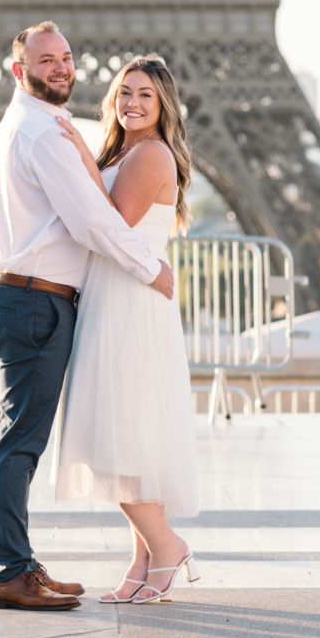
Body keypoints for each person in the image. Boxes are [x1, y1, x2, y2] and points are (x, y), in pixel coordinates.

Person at [0, 22, 175, 612]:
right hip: (34, 299)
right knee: (21, 445)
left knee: (19, 440)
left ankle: (19, 564)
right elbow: (92, 219)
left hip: (13, 294)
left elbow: (92, 208)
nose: (60, 68)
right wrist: (150, 267)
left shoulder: (31, 125)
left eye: (66, 58)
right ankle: (12, 570)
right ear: (20, 69)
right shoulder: (46, 134)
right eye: (46, 60)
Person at [52, 55, 200, 604]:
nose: (132, 102)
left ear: (164, 107)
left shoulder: (151, 153)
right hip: (116, 297)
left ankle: (167, 545)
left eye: (145, 95)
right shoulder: (123, 151)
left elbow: (108, 219)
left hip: (129, 305)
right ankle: (141, 561)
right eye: (125, 92)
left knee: (116, 434)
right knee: (123, 434)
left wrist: (76, 155)